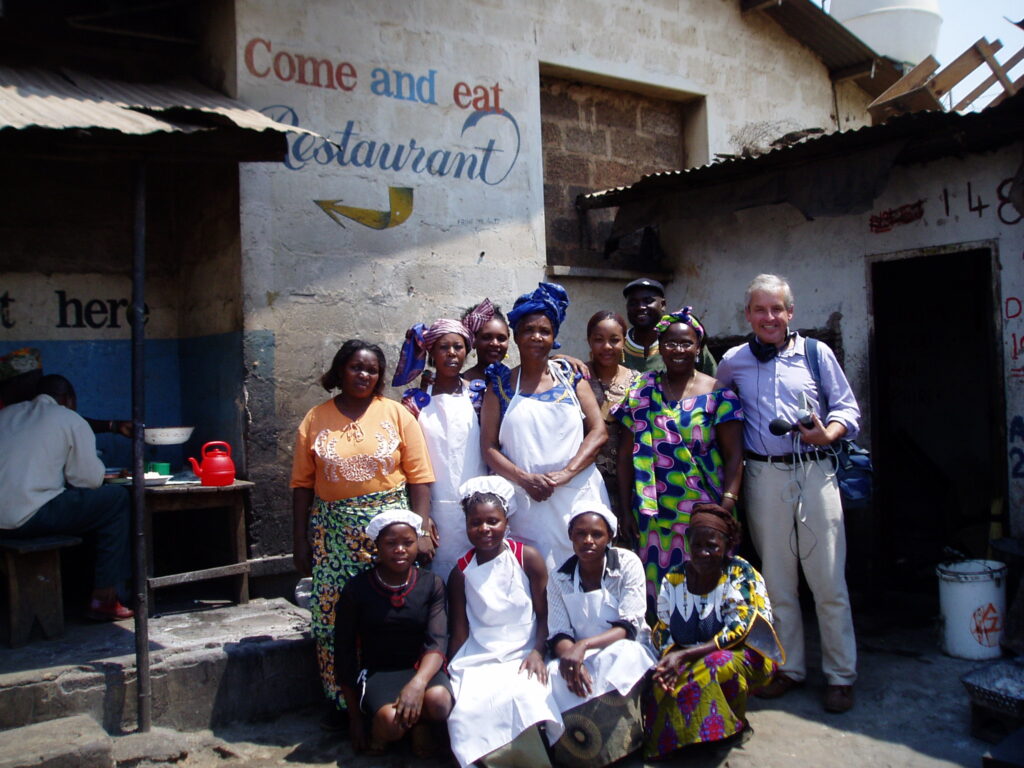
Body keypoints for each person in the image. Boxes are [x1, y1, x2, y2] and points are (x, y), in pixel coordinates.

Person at [715, 274, 860, 714]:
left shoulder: (816, 354)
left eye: (777, 309)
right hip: (764, 477)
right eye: (760, 309)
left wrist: (827, 435)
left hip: (815, 472)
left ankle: (840, 675)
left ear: (790, 313)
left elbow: (848, 410)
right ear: (748, 316)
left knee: (828, 580)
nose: (769, 317)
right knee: (778, 582)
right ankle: (789, 668)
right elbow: (719, 414)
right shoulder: (733, 361)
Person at [290, 339, 436, 717]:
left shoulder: (397, 414)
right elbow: (302, 485)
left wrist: (419, 531)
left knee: (391, 615)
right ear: (340, 370)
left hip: (391, 536)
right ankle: (343, 706)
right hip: (334, 534)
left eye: (372, 370)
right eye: (356, 367)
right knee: (332, 616)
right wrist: (300, 540)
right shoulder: (315, 418)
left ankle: (397, 700)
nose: (363, 375)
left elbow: (419, 477)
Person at [614, 307, 744, 610]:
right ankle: (664, 648)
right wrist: (624, 508)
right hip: (654, 515)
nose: (678, 350)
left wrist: (726, 505)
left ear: (698, 348)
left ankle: (707, 650)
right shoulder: (642, 390)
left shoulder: (719, 395)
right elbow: (624, 456)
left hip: (706, 509)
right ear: (661, 347)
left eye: (686, 343)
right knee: (660, 587)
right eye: (670, 343)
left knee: (708, 586)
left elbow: (734, 455)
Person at [480, 282, 609, 570]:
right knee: (536, 578)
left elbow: (599, 432)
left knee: (585, 572)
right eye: (529, 330)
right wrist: (525, 479)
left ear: (554, 338)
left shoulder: (571, 378)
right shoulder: (500, 387)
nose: (537, 337)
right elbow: (488, 447)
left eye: (545, 331)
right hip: (526, 503)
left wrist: (566, 473)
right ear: (516, 337)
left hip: (578, 496)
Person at [643, 505, 782, 759]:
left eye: (712, 547)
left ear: (727, 546)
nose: (704, 553)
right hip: (690, 655)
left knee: (716, 664)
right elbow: (662, 628)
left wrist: (684, 657)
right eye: (697, 546)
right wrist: (670, 656)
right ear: (688, 544)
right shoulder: (674, 578)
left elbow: (739, 629)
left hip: (748, 656)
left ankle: (720, 731)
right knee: (660, 678)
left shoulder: (740, 573)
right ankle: (695, 736)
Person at [447, 475, 563, 768]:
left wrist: (539, 650)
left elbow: (545, 613)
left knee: (525, 694)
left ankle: (531, 759)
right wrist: (450, 666)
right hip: (480, 653)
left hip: (525, 647)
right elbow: (460, 629)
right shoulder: (460, 572)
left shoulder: (527, 557)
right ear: (467, 525)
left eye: (492, 521)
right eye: (476, 523)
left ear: (506, 521)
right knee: (469, 708)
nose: (484, 529)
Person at [0, 374, 133, 620]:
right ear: (69, 399)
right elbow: (89, 480)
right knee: (116, 500)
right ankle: (105, 596)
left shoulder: (6, 415)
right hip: (24, 517)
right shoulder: (70, 419)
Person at [335, 510, 454, 757]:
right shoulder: (357, 589)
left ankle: (420, 725)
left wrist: (418, 684)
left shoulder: (431, 584)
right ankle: (384, 731)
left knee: (440, 702)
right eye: (391, 543)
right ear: (377, 546)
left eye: (407, 543)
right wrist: (354, 720)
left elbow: (437, 642)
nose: (400, 549)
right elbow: (344, 652)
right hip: (380, 672)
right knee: (390, 723)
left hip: (420, 669)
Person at [546, 502, 656, 767]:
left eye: (597, 534)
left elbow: (629, 626)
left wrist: (583, 646)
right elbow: (559, 631)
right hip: (580, 654)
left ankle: (623, 743)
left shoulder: (627, 564)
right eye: (580, 534)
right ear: (570, 537)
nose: (588, 541)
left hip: (625, 645)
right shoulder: (559, 576)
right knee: (552, 675)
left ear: (610, 537)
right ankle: (578, 752)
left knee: (623, 657)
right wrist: (571, 658)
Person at [395, 318, 488, 580]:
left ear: (467, 351)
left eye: (458, 347)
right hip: (433, 508)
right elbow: (408, 459)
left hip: (477, 507)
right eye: (443, 347)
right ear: (431, 353)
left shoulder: (479, 396)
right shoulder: (414, 402)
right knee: (440, 578)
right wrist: (421, 519)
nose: (451, 353)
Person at [583, 311, 637, 540]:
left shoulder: (637, 382)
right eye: (598, 339)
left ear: (624, 341)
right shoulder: (576, 376)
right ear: (589, 341)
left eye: (614, 339)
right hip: (585, 483)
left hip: (628, 485)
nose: (607, 346)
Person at [622, 278, 716, 375]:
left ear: (663, 305)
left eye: (648, 301)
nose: (640, 307)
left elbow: (713, 382)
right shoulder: (618, 345)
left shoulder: (687, 344)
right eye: (633, 303)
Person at [460, 298, 511, 388]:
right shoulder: (458, 384)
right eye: (486, 337)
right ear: (474, 340)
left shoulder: (516, 382)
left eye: (501, 338)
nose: (495, 343)